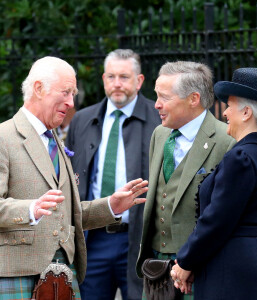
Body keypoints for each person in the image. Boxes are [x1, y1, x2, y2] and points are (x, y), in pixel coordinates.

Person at [0, 56, 148, 300]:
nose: (71, 102)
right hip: (18, 274)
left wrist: (110, 206)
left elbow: (67, 213)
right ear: (38, 89)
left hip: (63, 273)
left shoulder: (55, 139)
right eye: (65, 92)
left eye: (73, 94)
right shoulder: (4, 136)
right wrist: (30, 209)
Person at [170, 67, 257, 300]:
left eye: (230, 105)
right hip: (252, 264)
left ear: (246, 112)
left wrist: (185, 262)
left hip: (232, 272)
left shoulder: (241, 158)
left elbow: (216, 220)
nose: (225, 113)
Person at [66, 49, 161, 300]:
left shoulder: (159, 119)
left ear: (139, 81)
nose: (116, 84)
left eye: (124, 77)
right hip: (93, 238)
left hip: (140, 239)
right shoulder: (82, 120)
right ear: (103, 79)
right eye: (111, 77)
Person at [136, 61, 234, 299]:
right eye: (156, 96)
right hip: (156, 269)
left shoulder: (226, 140)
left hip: (200, 271)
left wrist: (192, 260)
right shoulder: (159, 134)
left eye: (165, 97)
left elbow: (225, 217)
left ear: (193, 99)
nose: (156, 104)